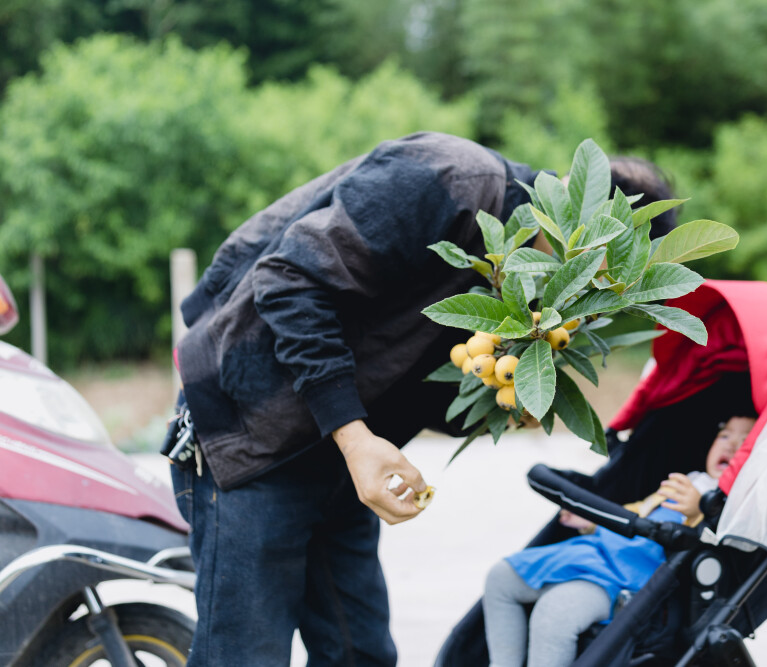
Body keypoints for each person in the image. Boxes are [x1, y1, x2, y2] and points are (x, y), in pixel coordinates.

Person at [165, 131, 679, 666]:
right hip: (255, 433)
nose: (590, 292)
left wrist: (498, 404)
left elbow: (420, 386)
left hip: (339, 461)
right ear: (578, 204)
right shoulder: (451, 178)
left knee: (360, 653)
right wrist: (355, 436)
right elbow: (289, 281)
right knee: (245, 656)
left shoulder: (533, 298)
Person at [482, 416, 757, 667]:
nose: (732, 444)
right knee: (501, 577)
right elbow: (639, 511)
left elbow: (739, 542)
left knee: (553, 612)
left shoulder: (738, 504)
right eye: (725, 435)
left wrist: (700, 513)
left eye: (744, 441)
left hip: (626, 580)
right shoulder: (689, 479)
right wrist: (592, 522)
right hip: (594, 553)